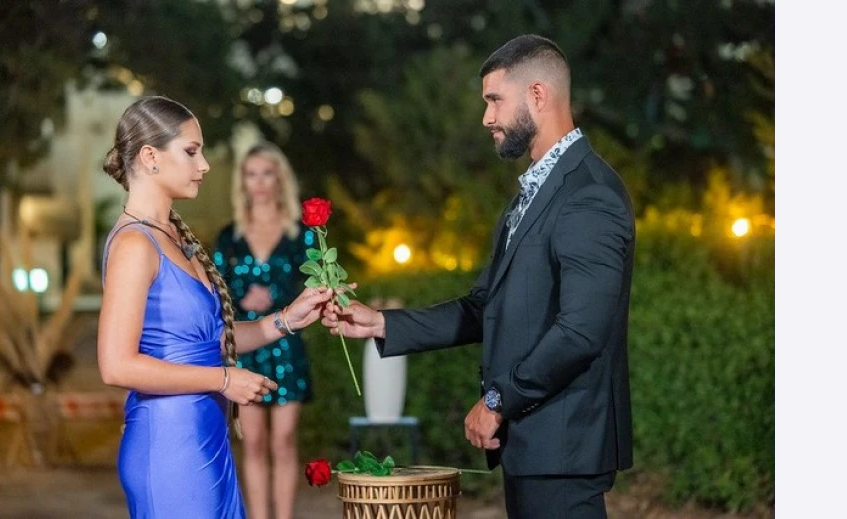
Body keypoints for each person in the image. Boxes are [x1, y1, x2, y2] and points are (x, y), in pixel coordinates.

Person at [322, 34, 636, 518]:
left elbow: (581, 331)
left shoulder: (588, 194)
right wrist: (381, 323)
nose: (487, 117)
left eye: (495, 100)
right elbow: (484, 308)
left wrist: (497, 400)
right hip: (533, 447)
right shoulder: (530, 196)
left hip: (564, 447)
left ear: (537, 94)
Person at [96, 95, 332, 519]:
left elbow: (211, 342)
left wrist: (284, 320)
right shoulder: (134, 244)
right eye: (191, 151)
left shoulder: (171, 235)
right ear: (150, 157)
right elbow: (116, 366)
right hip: (169, 446)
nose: (204, 165)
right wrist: (223, 379)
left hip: (206, 441)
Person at [212, 141, 314, 519]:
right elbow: (215, 288)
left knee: (284, 441)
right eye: (251, 174)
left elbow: (313, 285)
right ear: (242, 181)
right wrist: (242, 299)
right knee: (252, 442)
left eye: (266, 173)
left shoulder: (301, 235)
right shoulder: (229, 236)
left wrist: (278, 298)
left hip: (287, 347)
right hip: (245, 345)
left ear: (279, 178)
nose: (258, 182)